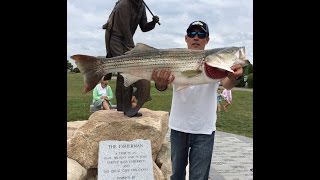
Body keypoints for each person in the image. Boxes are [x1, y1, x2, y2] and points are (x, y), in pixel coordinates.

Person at [151, 20, 244, 180]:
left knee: (199, 177)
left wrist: (235, 77)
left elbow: (227, 84)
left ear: (207, 40)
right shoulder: (175, 58)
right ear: (186, 38)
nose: (196, 37)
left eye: (201, 34)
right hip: (178, 127)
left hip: (204, 129)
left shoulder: (215, 62)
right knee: (177, 175)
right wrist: (160, 83)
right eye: (192, 33)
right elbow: (161, 86)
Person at [102, 0, 160, 117]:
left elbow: (144, 27)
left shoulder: (141, 6)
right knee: (126, 69)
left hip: (126, 40)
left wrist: (153, 23)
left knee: (124, 73)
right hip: (116, 39)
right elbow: (124, 27)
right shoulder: (124, 4)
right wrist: (131, 47)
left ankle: (123, 106)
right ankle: (125, 107)